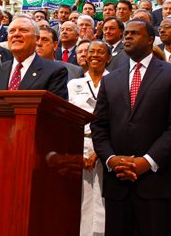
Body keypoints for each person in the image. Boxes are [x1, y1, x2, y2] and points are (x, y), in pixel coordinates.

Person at [91, 19, 171, 236]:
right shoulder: (111, 79)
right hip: (117, 182)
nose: (127, 36)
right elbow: (99, 125)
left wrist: (147, 161)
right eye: (126, 33)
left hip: (157, 181)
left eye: (134, 33)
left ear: (150, 40)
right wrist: (111, 159)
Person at [67, 40, 111, 236]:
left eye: (100, 52)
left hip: (106, 143)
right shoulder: (74, 84)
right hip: (79, 142)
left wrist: (99, 151)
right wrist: (76, 150)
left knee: (102, 197)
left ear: (108, 58)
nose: (95, 55)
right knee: (82, 197)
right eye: (91, 51)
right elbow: (68, 117)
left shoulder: (115, 81)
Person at [0, 15, 68, 100]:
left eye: (23, 30)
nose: (16, 34)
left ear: (37, 39)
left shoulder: (55, 71)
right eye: (12, 31)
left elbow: (55, 110)